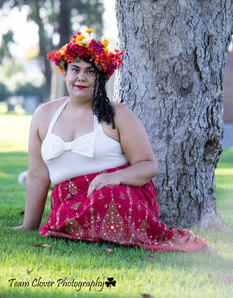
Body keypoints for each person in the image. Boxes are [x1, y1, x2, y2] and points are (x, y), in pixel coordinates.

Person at [14, 29, 211, 254]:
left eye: (90, 71)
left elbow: (148, 165)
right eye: (75, 70)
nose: (81, 77)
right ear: (64, 73)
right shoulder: (44, 114)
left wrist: (114, 177)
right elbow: (38, 175)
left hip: (119, 192)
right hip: (70, 199)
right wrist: (28, 226)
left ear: (101, 77)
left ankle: (104, 230)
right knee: (74, 207)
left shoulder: (118, 114)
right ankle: (84, 227)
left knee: (108, 197)